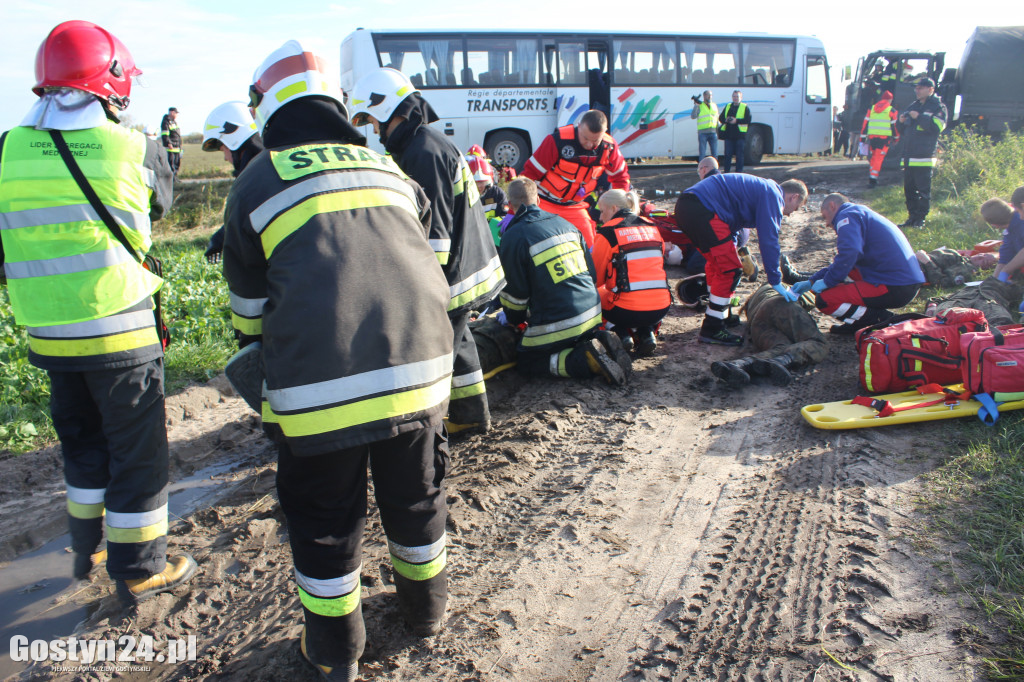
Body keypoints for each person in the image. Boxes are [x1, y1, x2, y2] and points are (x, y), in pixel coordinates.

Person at [223, 42, 454, 681]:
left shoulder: (259, 179)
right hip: (421, 374)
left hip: (320, 395)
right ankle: (427, 611)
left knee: (325, 520)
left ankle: (333, 650)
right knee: (417, 498)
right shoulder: (387, 167)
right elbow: (426, 260)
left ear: (266, 111)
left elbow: (247, 315)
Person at [0, 20, 195, 604]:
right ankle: (140, 568)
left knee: (82, 443)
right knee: (137, 452)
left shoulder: (8, 147)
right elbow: (158, 207)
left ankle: (90, 547)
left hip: (51, 335)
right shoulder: (136, 146)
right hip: (119, 330)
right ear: (109, 81)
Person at [349, 67, 505, 432]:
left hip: (454, 273)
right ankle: (470, 416)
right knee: (458, 339)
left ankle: (432, 421)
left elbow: (433, 233)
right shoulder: (427, 143)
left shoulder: (422, 152)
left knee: (436, 348)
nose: (375, 132)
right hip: (469, 266)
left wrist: (419, 288)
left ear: (389, 110)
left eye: (374, 122)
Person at [498, 178, 632, 385]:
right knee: (561, 337)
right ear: (539, 201)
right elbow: (592, 275)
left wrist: (512, 319)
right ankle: (597, 342)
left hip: (562, 322)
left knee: (527, 361)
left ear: (510, 206)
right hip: (594, 315)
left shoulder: (513, 237)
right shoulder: (565, 224)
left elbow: (516, 294)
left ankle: (585, 362)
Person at [674, 174, 807, 345]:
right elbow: (769, 240)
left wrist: (732, 249)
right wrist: (775, 280)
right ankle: (712, 328)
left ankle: (721, 313)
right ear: (793, 196)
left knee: (718, 265)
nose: (789, 214)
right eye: (795, 208)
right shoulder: (773, 195)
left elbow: (733, 226)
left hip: (689, 206)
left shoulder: (763, 189)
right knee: (730, 270)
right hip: (703, 209)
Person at [792, 193, 925, 334]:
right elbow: (846, 264)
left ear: (832, 206)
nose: (826, 224)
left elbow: (850, 252)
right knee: (847, 274)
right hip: (902, 281)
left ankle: (882, 321)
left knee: (825, 300)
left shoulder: (846, 216)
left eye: (825, 217)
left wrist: (827, 281)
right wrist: (812, 281)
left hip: (895, 285)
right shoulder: (860, 213)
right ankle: (861, 321)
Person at [520, 110, 630, 249]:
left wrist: (619, 212)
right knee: (536, 246)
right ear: (578, 126)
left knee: (592, 248)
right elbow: (528, 176)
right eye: (585, 138)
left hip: (575, 206)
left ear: (604, 133)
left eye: (595, 140)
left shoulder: (609, 147)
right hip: (544, 202)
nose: (589, 145)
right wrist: (516, 211)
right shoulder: (557, 141)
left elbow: (621, 179)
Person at [592, 189, 672, 357]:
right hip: (661, 308)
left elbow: (595, 280)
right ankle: (646, 333)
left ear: (614, 209)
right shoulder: (652, 227)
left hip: (625, 310)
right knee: (639, 299)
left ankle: (618, 332)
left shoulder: (608, 232)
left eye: (602, 211)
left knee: (593, 293)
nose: (600, 217)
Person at [710, 284, 828, 387]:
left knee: (780, 347)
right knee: (818, 343)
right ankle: (783, 360)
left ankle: (740, 364)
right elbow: (818, 301)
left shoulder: (754, 299)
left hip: (757, 321)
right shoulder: (790, 286)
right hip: (781, 304)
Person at [199, 101, 264, 264]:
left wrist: (219, 241)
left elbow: (243, 219)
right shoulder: (267, 165)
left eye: (223, 149)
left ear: (234, 139)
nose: (225, 158)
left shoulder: (256, 178)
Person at [896, 77, 947, 227]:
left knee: (923, 192)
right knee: (909, 191)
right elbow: (903, 131)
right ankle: (911, 218)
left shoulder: (938, 107)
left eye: (920, 88)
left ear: (931, 89)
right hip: (909, 157)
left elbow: (937, 127)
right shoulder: (913, 105)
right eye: (916, 88)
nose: (917, 91)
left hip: (924, 157)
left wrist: (919, 117)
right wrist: (901, 122)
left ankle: (920, 220)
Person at [981, 188, 1024, 282]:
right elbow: (1005, 257)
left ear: (994, 225)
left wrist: (1006, 270)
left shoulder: (1020, 224)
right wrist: (994, 281)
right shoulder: (1010, 230)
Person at [466, 152, 508, 245]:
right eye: (476, 182)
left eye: (483, 182)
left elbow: (504, 216)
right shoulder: (463, 196)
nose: (479, 186)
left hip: (492, 240)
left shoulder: (497, 194)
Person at [861, 91, 898, 187]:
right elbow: (894, 126)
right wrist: (896, 138)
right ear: (890, 100)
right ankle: (873, 180)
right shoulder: (892, 110)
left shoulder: (872, 108)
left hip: (872, 138)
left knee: (873, 157)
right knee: (878, 158)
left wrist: (862, 137)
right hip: (884, 138)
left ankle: (872, 177)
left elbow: (865, 124)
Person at [718, 90, 751, 172]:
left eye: (737, 97)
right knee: (727, 155)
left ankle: (738, 173)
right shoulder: (728, 106)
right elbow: (720, 118)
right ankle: (726, 173)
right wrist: (726, 120)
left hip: (740, 136)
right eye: (734, 96)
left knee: (739, 156)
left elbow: (748, 120)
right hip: (729, 135)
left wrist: (736, 121)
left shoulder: (745, 107)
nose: (735, 98)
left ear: (741, 98)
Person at [691, 90, 718, 160]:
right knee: (702, 154)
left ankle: (715, 170)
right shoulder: (700, 105)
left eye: (711, 95)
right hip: (703, 133)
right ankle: (701, 170)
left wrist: (719, 129)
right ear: (704, 96)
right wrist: (696, 105)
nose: (710, 97)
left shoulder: (714, 105)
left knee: (715, 154)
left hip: (713, 132)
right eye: (708, 95)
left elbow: (716, 118)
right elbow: (693, 116)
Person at [160, 106, 182, 177]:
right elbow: (165, 134)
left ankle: (175, 178)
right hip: (171, 148)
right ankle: (171, 180)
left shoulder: (174, 122)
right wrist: (168, 143)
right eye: (176, 113)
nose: (177, 115)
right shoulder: (166, 122)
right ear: (172, 112)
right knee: (171, 165)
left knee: (176, 164)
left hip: (177, 147)